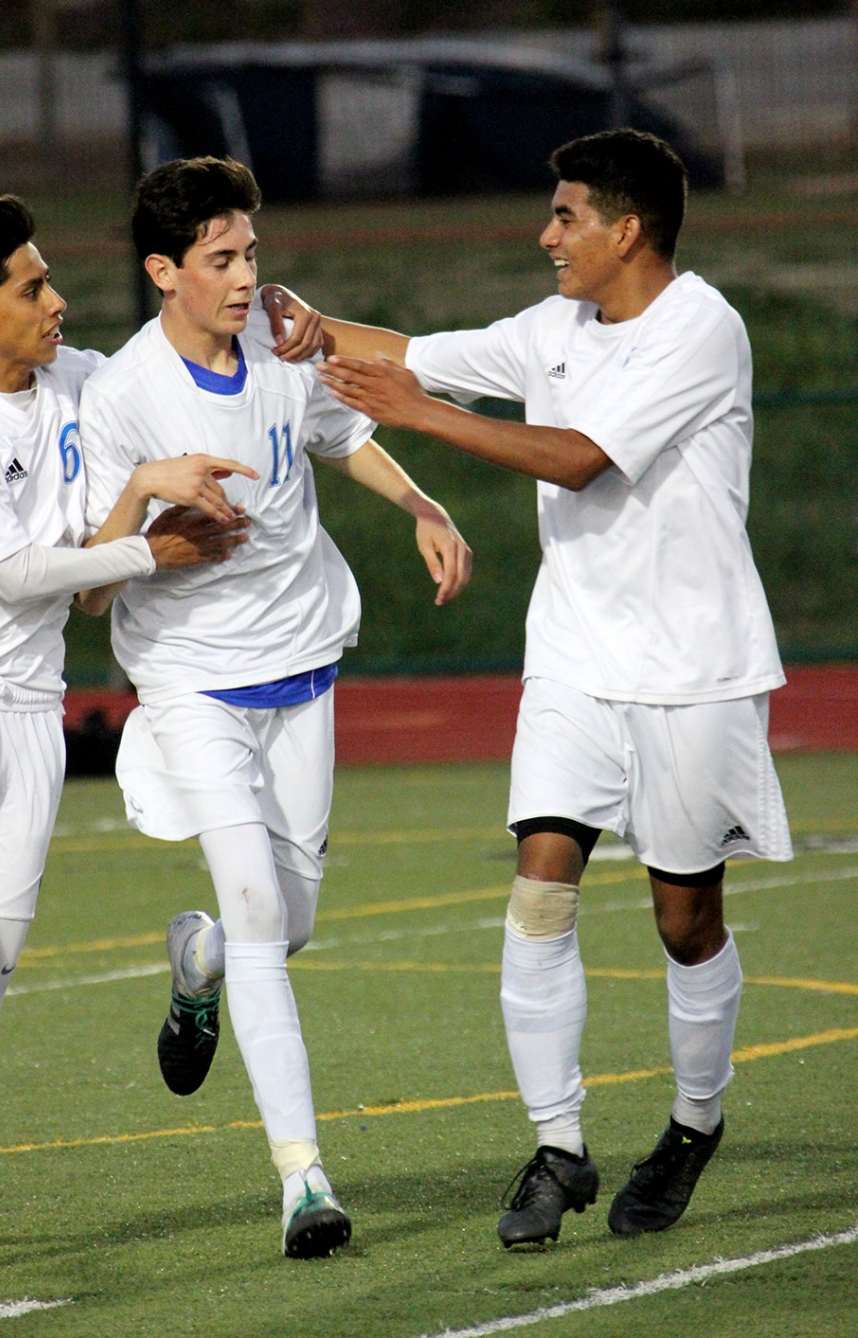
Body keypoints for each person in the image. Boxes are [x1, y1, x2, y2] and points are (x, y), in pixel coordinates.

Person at [270, 128, 792, 1246]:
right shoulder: (553, 326)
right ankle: (557, 1147)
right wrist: (313, 331)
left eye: (565, 218)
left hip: (693, 669)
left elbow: (575, 456)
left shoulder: (701, 328)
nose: (543, 236)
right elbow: (416, 348)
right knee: (540, 889)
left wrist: (416, 414)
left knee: (683, 918)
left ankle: (693, 1123)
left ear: (626, 229)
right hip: (571, 660)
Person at [75, 154, 471, 1260]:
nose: (247, 275)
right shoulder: (122, 395)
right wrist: (150, 498)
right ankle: (304, 1181)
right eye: (220, 259)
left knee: (280, 927)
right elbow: (95, 584)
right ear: (163, 270)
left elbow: (340, 438)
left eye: (250, 252)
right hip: (190, 681)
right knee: (261, 914)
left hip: (305, 669)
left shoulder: (281, 352)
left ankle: (194, 958)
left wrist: (422, 503)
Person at [0, 196, 253, 1269]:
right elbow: (14, 576)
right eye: (31, 289)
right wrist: (150, 550)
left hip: (28, 718)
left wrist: (255, 315)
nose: (57, 302)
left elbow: (169, 365)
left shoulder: (78, 381)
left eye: (50, 280)